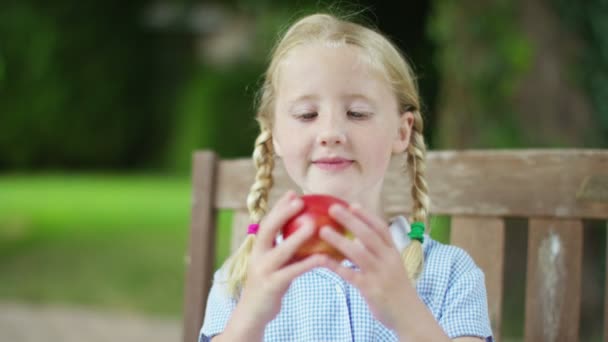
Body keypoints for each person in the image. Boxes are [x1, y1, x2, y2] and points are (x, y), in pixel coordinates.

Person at [200, 12, 493, 342]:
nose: (330, 133)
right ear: (274, 135)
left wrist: (407, 314)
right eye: (307, 114)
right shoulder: (244, 277)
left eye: (357, 113)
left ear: (402, 131)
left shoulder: (450, 273)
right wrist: (249, 318)